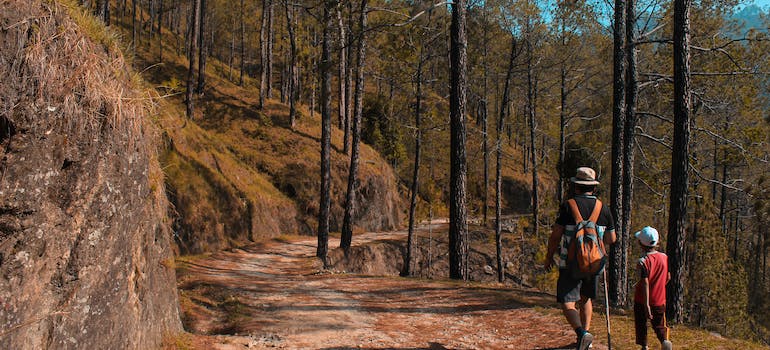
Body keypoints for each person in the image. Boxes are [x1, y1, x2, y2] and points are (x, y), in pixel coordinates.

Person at [545, 167, 617, 350]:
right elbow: (611, 239)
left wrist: (549, 257)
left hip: (569, 262)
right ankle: (587, 339)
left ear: (576, 185)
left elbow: (555, 235)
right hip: (594, 263)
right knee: (586, 299)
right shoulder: (603, 208)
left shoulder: (568, 206)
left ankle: (582, 333)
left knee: (567, 300)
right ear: (593, 187)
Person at [633, 226, 673, 350]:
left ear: (641, 243)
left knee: (641, 324)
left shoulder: (643, 262)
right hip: (660, 300)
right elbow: (668, 277)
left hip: (642, 300)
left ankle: (644, 346)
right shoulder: (664, 257)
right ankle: (664, 341)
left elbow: (644, 283)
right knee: (659, 324)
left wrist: (646, 305)